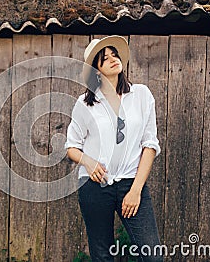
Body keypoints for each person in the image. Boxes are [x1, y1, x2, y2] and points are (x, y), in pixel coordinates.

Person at [65, 36, 163, 261]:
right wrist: (89, 163)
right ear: (96, 71)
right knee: (103, 256)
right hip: (94, 187)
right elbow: (72, 147)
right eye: (104, 58)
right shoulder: (85, 104)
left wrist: (136, 190)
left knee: (152, 256)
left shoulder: (141, 95)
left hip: (131, 183)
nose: (112, 59)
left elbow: (150, 144)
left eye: (114, 55)